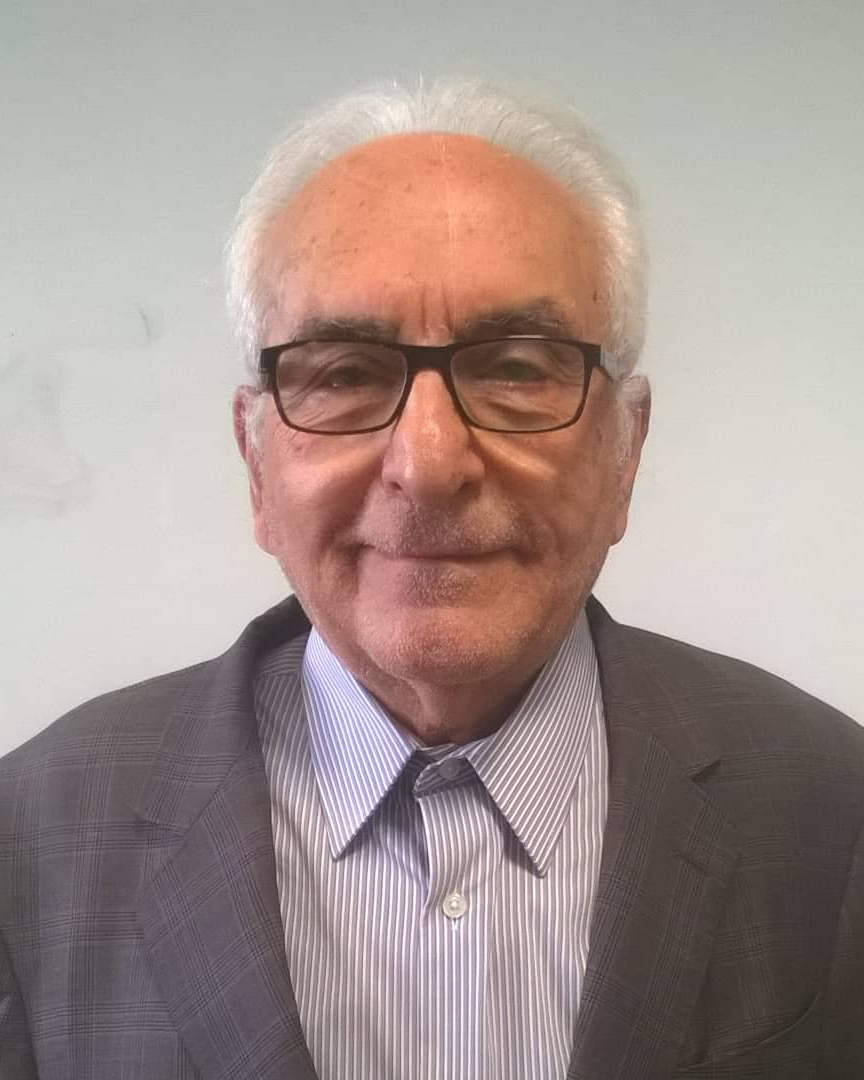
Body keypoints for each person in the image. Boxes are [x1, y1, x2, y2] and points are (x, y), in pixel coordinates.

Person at [1, 79, 862, 1080]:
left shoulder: (831, 811)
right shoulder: (31, 840)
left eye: (517, 367)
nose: (430, 463)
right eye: (345, 373)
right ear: (256, 463)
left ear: (624, 450)